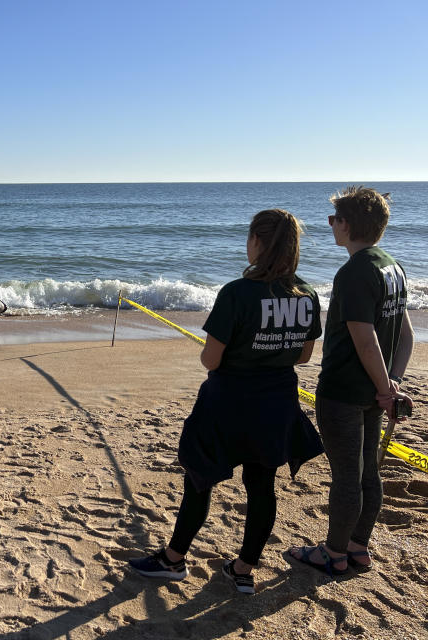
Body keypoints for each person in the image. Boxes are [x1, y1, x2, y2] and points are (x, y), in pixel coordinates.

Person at [128, 209, 324, 594]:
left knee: (200, 480)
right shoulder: (307, 295)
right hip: (276, 403)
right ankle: (244, 569)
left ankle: (173, 559)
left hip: (228, 403)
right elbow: (304, 356)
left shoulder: (237, 292)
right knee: (262, 484)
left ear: (257, 243)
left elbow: (210, 359)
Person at [287, 186, 413, 576]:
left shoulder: (355, 271)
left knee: (347, 477)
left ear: (346, 224)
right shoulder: (392, 265)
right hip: (375, 391)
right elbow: (405, 335)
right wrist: (390, 383)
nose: (330, 226)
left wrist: (384, 387)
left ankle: (335, 552)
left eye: (333, 219)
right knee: (366, 472)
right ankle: (359, 547)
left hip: (345, 391)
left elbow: (364, 337)